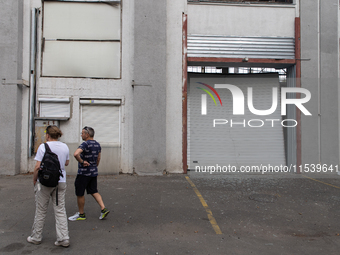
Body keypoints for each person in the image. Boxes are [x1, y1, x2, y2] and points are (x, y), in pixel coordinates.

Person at [27, 125, 70, 247]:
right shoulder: (65, 146)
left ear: (47, 135)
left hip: (45, 182)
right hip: (60, 181)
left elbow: (37, 167)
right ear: (58, 135)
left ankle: (36, 237)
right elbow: (66, 163)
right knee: (60, 209)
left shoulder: (43, 146)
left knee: (41, 210)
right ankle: (64, 238)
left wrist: (35, 180)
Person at [68, 126, 110, 221]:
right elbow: (98, 158)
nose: (81, 135)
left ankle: (81, 214)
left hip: (83, 173)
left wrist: (82, 162)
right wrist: (94, 166)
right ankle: (103, 208)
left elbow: (76, 154)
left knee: (80, 193)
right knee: (93, 191)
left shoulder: (85, 144)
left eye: (82, 133)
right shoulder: (97, 144)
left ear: (87, 135)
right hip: (93, 172)